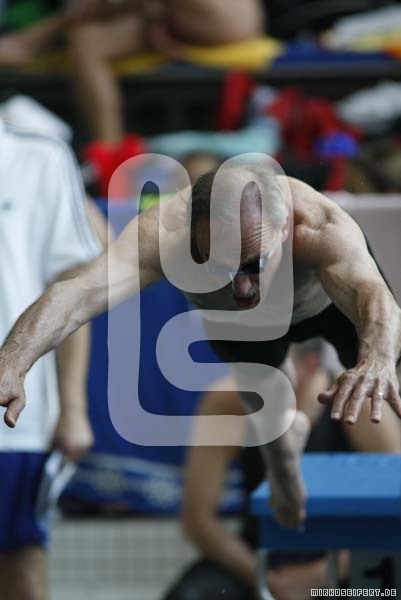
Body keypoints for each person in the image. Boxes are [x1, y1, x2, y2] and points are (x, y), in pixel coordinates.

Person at [0, 163, 400, 532]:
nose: (242, 288)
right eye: (220, 267)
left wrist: (380, 360)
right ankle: (282, 462)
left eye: (253, 264)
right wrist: (12, 361)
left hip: (325, 305)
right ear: (194, 237)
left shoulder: (318, 225)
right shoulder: (165, 235)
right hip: (243, 326)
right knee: (268, 412)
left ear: (283, 229)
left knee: (390, 372)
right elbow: (76, 295)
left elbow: (373, 293)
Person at [164, 342, 401, 600]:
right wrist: (266, 578)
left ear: (310, 365)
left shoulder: (357, 405)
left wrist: (317, 578)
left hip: (341, 557)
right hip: (260, 555)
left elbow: (394, 517)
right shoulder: (231, 399)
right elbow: (197, 519)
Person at [0, 117, 102, 600]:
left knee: (20, 566)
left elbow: (71, 293)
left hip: (15, 422)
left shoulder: (39, 156)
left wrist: (73, 409)